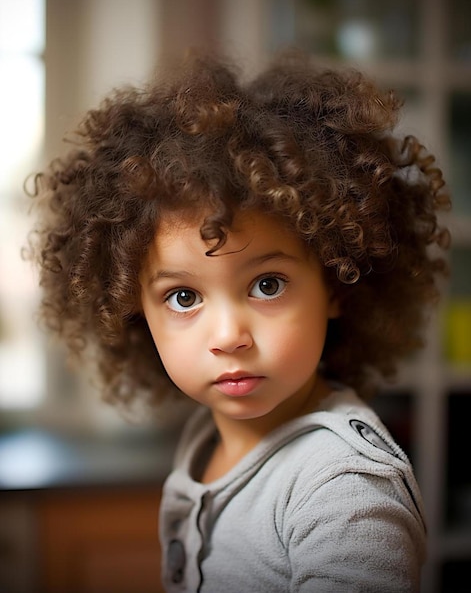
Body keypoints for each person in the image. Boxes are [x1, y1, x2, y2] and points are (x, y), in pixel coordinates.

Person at [25, 49, 450, 592]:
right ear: (135, 307)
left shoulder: (343, 491)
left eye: (267, 285)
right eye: (182, 297)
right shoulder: (207, 442)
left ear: (336, 284)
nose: (228, 336)